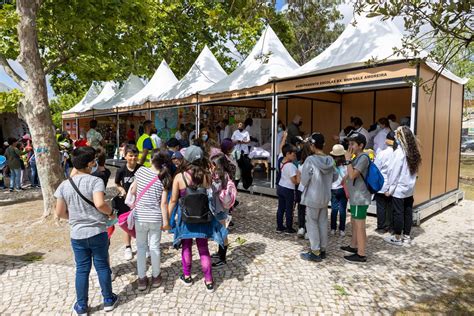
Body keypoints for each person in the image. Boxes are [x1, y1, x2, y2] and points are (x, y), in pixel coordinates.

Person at [54, 146, 119, 314]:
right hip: (97, 231)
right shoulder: (95, 181)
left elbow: (60, 212)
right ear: (90, 163)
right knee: (102, 266)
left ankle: (82, 306)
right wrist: (111, 212)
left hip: (77, 234)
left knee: (82, 269)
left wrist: (76, 218)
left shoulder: (64, 185)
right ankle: (108, 300)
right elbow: (100, 204)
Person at [167, 145, 227, 293]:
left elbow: (173, 200)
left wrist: (167, 219)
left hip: (185, 218)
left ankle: (187, 276)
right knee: (203, 248)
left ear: (186, 159)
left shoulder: (179, 177)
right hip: (203, 217)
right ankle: (209, 281)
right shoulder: (206, 176)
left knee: (186, 246)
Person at [129, 150, 171, 290]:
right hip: (155, 218)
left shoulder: (140, 171)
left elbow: (134, 191)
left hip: (140, 216)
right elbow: (163, 203)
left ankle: (141, 279)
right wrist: (166, 222)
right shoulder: (164, 177)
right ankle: (156, 277)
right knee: (154, 247)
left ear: (151, 159)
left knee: (141, 248)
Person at [299, 133, 336, 262]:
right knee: (323, 222)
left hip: (313, 196)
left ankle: (315, 251)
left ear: (313, 145)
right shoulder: (330, 160)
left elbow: (304, 180)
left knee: (312, 223)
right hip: (325, 197)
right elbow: (335, 177)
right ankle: (323, 249)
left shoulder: (310, 160)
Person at [384, 126, 421, 246]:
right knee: (408, 211)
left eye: (396, 135)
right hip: (409, 188)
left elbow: (394, 172)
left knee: (398, 212)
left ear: (400, 137)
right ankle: (407, 236)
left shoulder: (399, 152)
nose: (394, 137)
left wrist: (390, 188)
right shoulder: (413, 152)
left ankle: (397, 237)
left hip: (399, 188)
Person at [341, 132, 371, 263]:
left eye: (353, 144)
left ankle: (361, 253)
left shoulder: (363, 158)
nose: (350, 146)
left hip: (360, 197)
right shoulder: (357, 156)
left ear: (361, 145)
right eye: (349, 143)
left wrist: (348, 160)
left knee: (360, 225)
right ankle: (353, 246)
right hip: (355, 197)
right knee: (354, 222)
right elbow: (349, 174)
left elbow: (353, 175)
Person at [114, 145, 141, 261]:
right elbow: (117, 183)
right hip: (126, 202)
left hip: (139, 202)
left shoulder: (142, 169)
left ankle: (143, 246)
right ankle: (128, 247)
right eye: (130, 156)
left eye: (135, 156)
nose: (133, 158)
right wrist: (121, 189)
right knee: (127, 225)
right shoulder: (121, 170)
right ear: (125, 156)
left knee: (140, 224)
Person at [210, 153, 236, 267]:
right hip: (221, 207)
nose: (211, 166)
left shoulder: (221, 177)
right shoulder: (223, 174)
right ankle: (220, 252)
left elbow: (214, 189)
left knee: (222, 232)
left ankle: (223, 258)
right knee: (220, 231)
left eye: (213, 164)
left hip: (220, 208)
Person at [374, 131, 397, 234]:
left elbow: (376, 170)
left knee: (381, 206)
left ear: (387, 140)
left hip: (382, 184)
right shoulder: (397, 154)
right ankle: (392, 227)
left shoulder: (381, 154)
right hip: (393, 184)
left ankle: (381, 227)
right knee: (391, 207)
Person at [276, 144, 300, 234]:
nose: (294, 157)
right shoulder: (291, 166)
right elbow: (294, 181)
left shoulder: (281, 161)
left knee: (281, 208)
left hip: (280, 187)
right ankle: (289, 228)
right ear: (287, 154)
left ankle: (279, 226)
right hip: (288, 189)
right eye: (293, 155)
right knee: (289, 209)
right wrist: (298, 177)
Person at [329, 144, 348, 237]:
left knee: (334, 209)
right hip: (342, 189)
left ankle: (333, 228)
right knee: (342, 209)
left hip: (333, 189)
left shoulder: (331, 165)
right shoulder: (345, 165)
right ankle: (342, 229)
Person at [295, 141, 311, 239]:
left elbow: (297, 181)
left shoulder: (300, 165)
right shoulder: (315, 164)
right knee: (310, 211)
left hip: (301, 189)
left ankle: (301, 228)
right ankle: (308, 231)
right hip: (311, 190)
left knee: (301, 209)